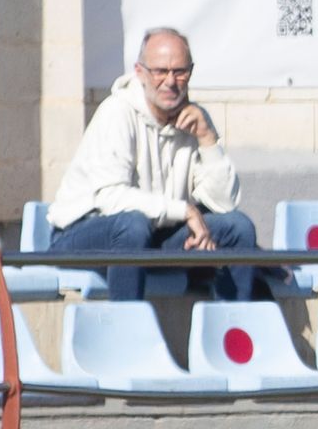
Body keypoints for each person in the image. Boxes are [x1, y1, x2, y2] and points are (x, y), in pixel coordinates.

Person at [47, 27, 262, 302]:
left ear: (191, 73)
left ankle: (232, 335)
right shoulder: (117, 112)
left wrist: (208, 140)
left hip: (152, 237)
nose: (170, 82)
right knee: (131, 225)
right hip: (79, 236)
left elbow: (226, 204)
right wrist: (185, 211)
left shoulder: (195, 119)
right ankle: (129, 334)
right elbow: (111, 198)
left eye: (180, 72)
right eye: (160, 71)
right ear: (140, 72)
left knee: (238, 227)